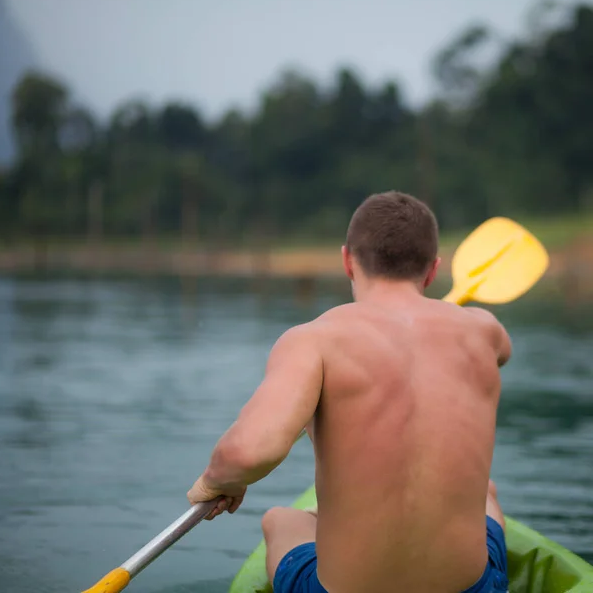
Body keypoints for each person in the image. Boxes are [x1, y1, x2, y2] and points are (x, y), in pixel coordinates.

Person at [187, 191, 512, 593]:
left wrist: (220, 481)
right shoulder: (484, 331)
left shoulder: (315, 339)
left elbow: (245, 454)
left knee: (280, 520)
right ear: (433, 271)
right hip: (473, 589)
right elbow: (501, 352)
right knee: (487, 495)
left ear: (347, 260)